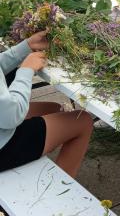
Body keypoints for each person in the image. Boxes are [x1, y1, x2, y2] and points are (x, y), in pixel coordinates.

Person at [0, 31, 93, 178]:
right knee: (82, 120)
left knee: (55, 109)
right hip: (4, 143)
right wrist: (26, 71)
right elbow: (12, 114)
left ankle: (38, 151)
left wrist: (27, 46)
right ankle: (60, 192)